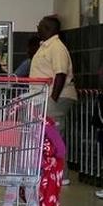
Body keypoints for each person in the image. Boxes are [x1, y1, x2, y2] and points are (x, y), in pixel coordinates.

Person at [0, 117, 102, 206]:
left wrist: (49, 162)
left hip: (31, 169)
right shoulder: (24, 123)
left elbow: (61, 150)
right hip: (24, 168)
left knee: (27, 200)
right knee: (26, 200)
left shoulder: (42, 125)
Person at [30, 16, 77, 186]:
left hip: (58, 96)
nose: (37, 28)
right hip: (45, 97)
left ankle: (61, 175)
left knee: (55, 135)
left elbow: (61, 74)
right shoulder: (46, 46)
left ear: (48, 28)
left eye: (40, 26)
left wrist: (53, 99)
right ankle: (49, 171)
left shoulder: (56, 47)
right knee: (47, 136)